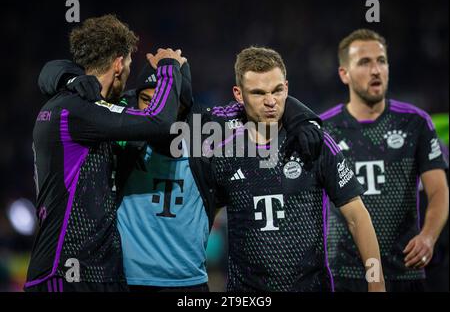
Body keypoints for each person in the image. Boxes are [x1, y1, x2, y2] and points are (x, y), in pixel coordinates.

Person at [36, 52, 324, 292]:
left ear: (184, 105)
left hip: (190, 284)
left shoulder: (207, 132)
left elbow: (261, 102)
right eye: (147, 100)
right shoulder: (122, 127)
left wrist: (303, 117)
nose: (157, 111)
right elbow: (49, 73)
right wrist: (68, 77)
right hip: (125, 281)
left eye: (168, 101)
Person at [24, 14, 186, 292]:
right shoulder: (77, 110)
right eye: (130, 64)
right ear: (119, 63)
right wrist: (169, 68)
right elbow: (159, 121)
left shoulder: (79, 105)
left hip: (98, 272)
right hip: (66, 272)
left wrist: (65, 75)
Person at [209, 46, 385, 292]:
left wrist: (377, 282)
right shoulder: (223, 152)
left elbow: (357, 216)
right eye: (258, 93)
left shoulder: (315, 143)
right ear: (239, 94)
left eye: (277, 90)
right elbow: (205, 221)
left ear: (287, 88)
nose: (271, 101)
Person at [319, 29, 449, 292]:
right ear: (344, 74)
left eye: (381, 60)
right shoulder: (324, 129)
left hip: (405, 269)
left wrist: (428, 237)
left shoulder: (415, 122)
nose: (376, 70)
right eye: (364, 62)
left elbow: (438, 190)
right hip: (344, 272)